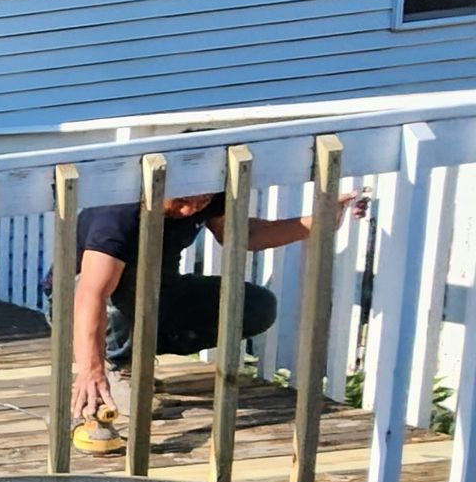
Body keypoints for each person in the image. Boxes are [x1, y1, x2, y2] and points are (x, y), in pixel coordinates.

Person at [69, 187, 368, 448]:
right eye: (183, 200)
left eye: (202, 203)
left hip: (155, 298)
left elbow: (246, 235)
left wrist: (319, 221)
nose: (190, 210)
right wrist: (90, 370)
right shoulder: (119, 212)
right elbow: (90, 294)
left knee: (256, 306)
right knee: (133, 278)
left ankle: (138, 351)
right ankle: (118, 366)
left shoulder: (206, 194)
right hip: (79, 305)